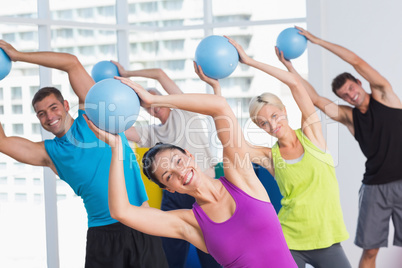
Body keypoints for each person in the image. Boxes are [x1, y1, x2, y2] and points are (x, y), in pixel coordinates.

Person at [84, 65, 297, 268]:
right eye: (168, 176)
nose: (180, 172)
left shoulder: (240, 178)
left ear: (189, 155)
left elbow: (219, 106)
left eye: (178, 161)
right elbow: (121, 211)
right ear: (170, 189)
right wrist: (116, 147)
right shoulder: (190, 223)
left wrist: (153, 98)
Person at [0, 40, 168, 268]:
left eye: (53, 108)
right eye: (41, 114)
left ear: (66, 105)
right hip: (103, 233)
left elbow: (71, 64)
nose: (49, 117)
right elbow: (3, 142)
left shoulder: (95, 117)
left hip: (142, 222)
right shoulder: (49, 153)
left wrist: (18, 55)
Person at [224, 37, 351, 268]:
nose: (272, 126)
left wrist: (250, 61)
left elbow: (295, 84)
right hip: (288, 240)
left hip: (327, 239)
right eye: (263, 124)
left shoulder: (312, 135)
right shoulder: (270, 156)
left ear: (284, 110)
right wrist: (215, 90)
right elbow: (232, 143)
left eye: (274, 116)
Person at [285, 26, 402, 268]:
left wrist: (317, 41)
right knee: (370, 252)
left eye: (351, 88)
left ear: (359, 83)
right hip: (374, 188)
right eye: (344, 95)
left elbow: (356, 61)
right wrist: (290, 69)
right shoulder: (350, 118)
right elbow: (315, 100)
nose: (350, 95)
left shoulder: (384, 94)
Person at [111, 62, 221, 267]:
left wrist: (127, 73)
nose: (153, 106)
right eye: (147, 106)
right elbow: (120, 132)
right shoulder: (153, 132)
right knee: (169, 252)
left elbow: (160, 73)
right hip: (176, 193)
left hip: (203, 185)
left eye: (154, 99)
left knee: (212, 251)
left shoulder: (185, 112)